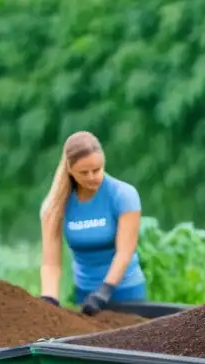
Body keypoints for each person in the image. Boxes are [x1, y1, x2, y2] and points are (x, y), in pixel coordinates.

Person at [39, 131, 147, 313]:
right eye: (83, 172)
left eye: (97, 170)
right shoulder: (55, 206)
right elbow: (51, 263)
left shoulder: (123, 195)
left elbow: (124, 253)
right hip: (85, 295)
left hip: (125, 293)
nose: (91, 177)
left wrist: (104, 292)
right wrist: (50, 299)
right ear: (70, 170)